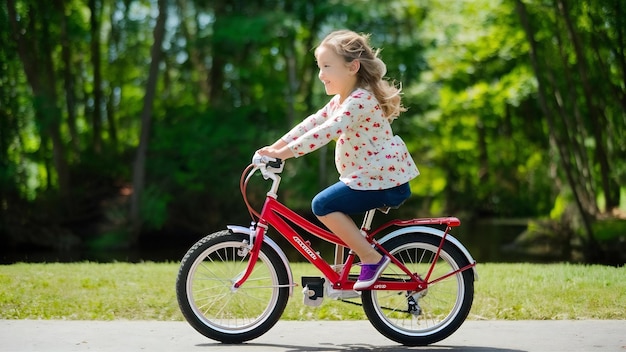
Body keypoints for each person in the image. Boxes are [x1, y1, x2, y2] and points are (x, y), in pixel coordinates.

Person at [257, 30, 419, 290]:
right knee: (334, 204)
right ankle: (343, 271)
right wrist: (272, 148)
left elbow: (326, 131)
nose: (321, 74)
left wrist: (282, 155)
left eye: (326, 66)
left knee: (323, 204)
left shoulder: (360, 100)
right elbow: (310, 123)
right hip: (369, 179)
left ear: (352, 67)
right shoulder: (340, 101)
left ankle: (370, 258)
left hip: (385, 181)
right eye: (319, 67)